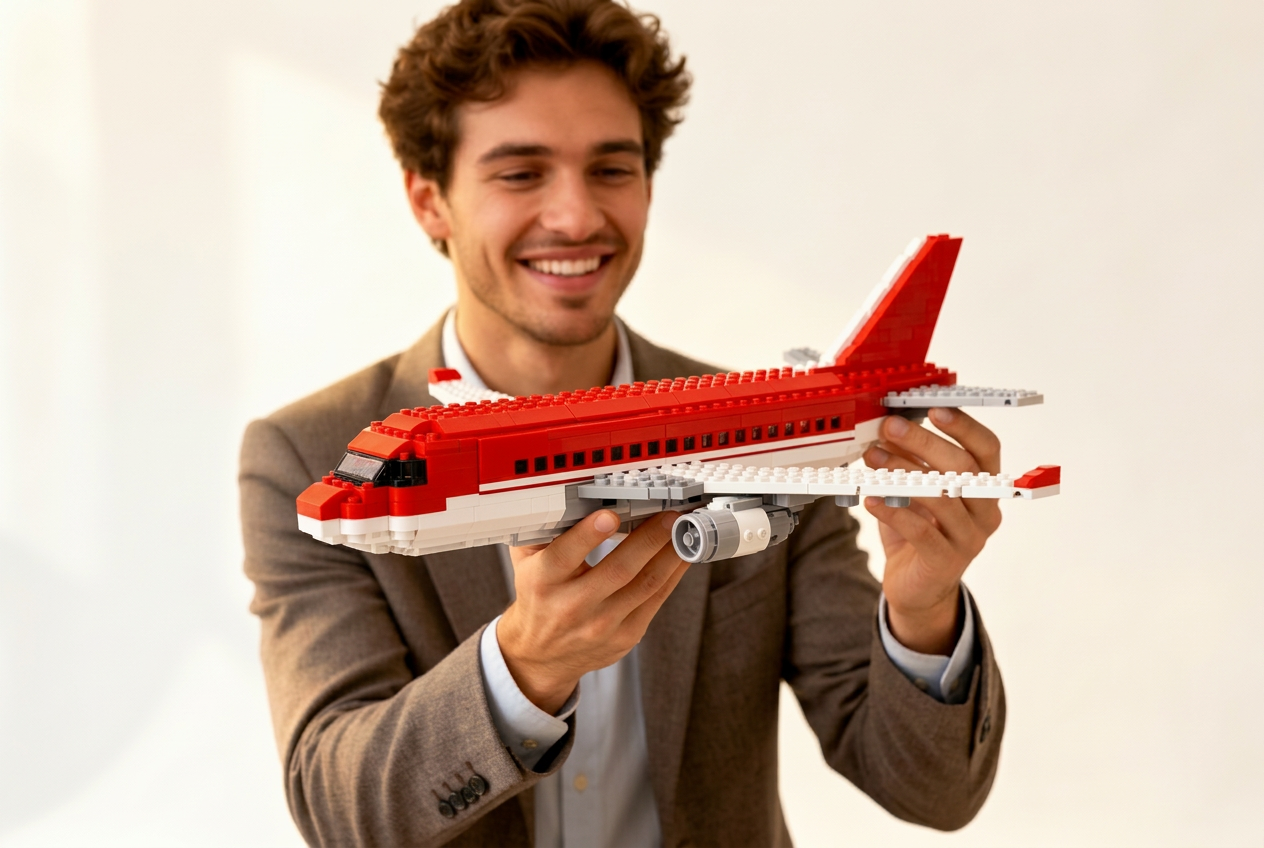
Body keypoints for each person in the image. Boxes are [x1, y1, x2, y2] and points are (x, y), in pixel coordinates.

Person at [239, 1, 1007, 845]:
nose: (575, 218)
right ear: (430, 200)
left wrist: (924, 609)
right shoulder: (315, 455)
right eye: (520, 173)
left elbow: (934, 794)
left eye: (611, 169)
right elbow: (343, 809)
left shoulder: (764, 434)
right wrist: (525, 667)